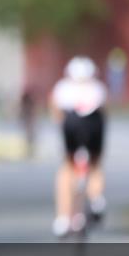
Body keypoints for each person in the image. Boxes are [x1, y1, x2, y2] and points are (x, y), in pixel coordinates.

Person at [49, 56, 108, 237]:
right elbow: (104, 111)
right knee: (95, 164)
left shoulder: (62, 87)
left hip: (71, 124)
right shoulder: (98, 88)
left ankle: (63, 218)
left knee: (67, 168)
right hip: (94, 124)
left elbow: (56, 112)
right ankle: (97, 198)